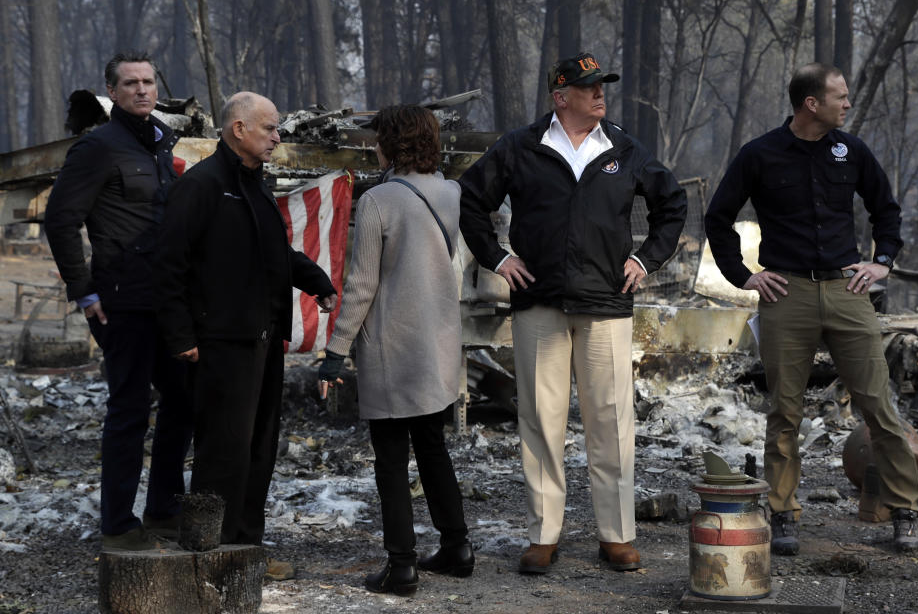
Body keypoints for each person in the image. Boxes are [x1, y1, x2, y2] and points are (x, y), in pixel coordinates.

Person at [458, 52, 687, 574]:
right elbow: (471, 200)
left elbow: (671, 206)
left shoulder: (624, 148)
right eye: (588, 88)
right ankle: (543, 534)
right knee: (541, 420)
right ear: (561, 97)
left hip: (607, 304)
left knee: (611, 421)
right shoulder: (520, 146)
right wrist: (497, 257)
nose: (600, 94)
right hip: (539, 301)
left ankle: (617, 535)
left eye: (602, 85)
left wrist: (644, 259)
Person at [704, 62, 918, 555]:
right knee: (785, 410)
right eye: (840, 97)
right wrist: (745, 276)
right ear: (811, 104)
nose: (847, 104)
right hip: (788, 295)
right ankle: (783, 514)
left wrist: (882, 261)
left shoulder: (852, 151)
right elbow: (718, 218)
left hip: (848, 292)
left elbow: (885, 210)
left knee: (878, 405)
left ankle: (904, 510)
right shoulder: (759, 155)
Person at [154, 92, 337, 576]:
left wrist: (318, 282)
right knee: (222, 452)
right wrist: (181, 334)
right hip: (219, 344)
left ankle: (245, 551)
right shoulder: (202, 186)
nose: (278, 137)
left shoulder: (256, 185)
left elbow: (274, 253)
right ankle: (210, 558)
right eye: (269, 128)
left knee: (258, 448)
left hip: (262, 340)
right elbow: (168, 265)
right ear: (239, 129)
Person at [317, 105, 471, 596]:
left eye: (379, 138)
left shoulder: (378, 199)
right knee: (432, 446)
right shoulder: (453, 193)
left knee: (389, 456)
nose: (373, 146)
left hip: (390, 346)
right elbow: (458, 266)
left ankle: (401, 565)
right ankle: (457, 546)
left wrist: (335, 352)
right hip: (439, 342)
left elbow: (360, 287)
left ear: (392, 143)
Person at [44, 52, 193, 551]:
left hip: (167, 300)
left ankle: (164, 510)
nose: (142, 90)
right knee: (129, 410)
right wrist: (84, 292)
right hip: (121, 302)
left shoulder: (159, 142)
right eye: (130, 83)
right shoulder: (97, 147)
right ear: (112, 89)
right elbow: (61, 221)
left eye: (149, 81)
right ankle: (118, 525)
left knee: (183, 401)